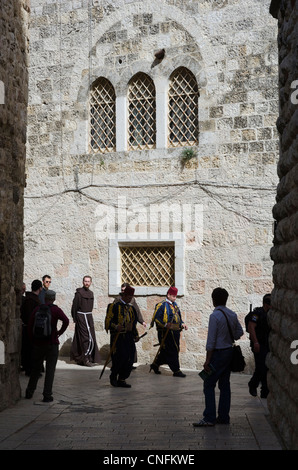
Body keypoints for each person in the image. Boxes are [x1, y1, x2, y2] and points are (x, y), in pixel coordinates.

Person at [193, 287, 243, 427]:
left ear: (213, 300)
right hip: (229, 352)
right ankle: (223, 416)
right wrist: (229, 336)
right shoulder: (232, 314)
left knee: (208, 383)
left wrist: (207, 360)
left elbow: (211, 341)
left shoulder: (214, 316)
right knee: (224, 385)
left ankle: (209, 417)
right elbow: (239, 332)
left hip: (218, 353)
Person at [25, 290, 69, 402]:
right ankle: (47, 394)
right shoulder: (55, 310)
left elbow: (30, 326)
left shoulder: (37, 309)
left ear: (45, 298)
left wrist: (33, 340)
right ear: (53, 298)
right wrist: (59, 332)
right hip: (52, 343)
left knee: (35, 369)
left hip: (38, 344)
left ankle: (29, 392)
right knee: (50, 370)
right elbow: (66, 320)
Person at [105, 285, 139, 388]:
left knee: (130, 358)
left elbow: (133, 324)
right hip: (118, 337)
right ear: (123, 295)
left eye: (131, 297)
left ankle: (122, 378)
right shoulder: (114, 306)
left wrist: (136, 335)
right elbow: (108, 322)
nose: (130, 299)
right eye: (128, 297)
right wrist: (116, 327)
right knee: (120, 358)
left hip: (128, 337)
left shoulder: (132, 309)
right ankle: (114, 376)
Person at [150, 286, 188, 377]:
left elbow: (179, 318)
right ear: (168, 295)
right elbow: (157, 319)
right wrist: (166, 325)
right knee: (172, 350)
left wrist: (182, 324)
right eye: (173, 296)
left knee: (167, 351)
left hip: (175, 332)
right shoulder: (161, 305)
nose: (175, 298)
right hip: (165, 333)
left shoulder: (175, 306)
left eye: (175, 296)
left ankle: (155, 364)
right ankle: (176, 370)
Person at [70, 275, 100, 367]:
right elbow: (74, 307)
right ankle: (85, 359)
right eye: (85, 281)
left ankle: (89, 357)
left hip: (89, 317)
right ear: (83, 282)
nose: (87, 283)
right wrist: (76, 319)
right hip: (81, 317)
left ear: (91, 283)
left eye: (88, 281)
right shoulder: (79, 293)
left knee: (91, 337)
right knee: (85, 338)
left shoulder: (91, 293)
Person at [115, 282, 147, 368]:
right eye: (122, 290)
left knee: (130, 346)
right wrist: (116, 326)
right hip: (121, 329)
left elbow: (137, 311)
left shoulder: (132, 300)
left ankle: (130, 362)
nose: (123, 292)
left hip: (130, 327)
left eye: (124, 290)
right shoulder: (117, 300)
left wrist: (142, 321)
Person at [247, 294, 271, 398]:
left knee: (264, 367)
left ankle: (261, 389)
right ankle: (257, 386)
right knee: (262, 367)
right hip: (259, 345)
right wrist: (256, 342)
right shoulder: (257, 314)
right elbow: (251, 327)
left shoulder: (271, 314)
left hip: (267, 345)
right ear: (266, 304)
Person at [20, 279, 42, 375]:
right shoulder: (30, 300)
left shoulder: (31, 299)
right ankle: (30, 369)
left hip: (31, 328)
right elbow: (29, 315)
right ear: (40, 288)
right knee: (30, 350)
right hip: (30, 328)